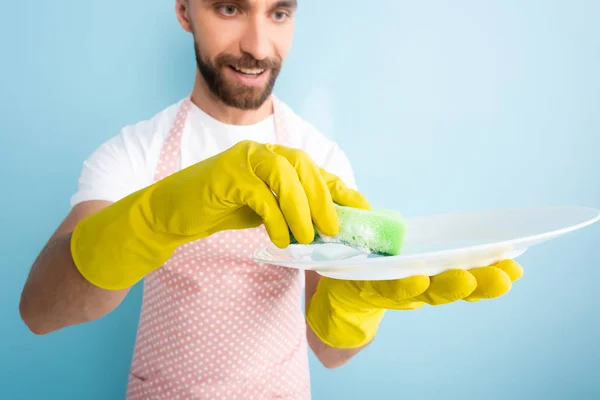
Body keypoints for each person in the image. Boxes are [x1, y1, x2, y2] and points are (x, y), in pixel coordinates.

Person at [19, 0, 524, 398]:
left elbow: (331, 353)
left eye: (279, 12)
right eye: (230, 8)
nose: (258, 46)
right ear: (183, 10)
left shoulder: (320, 159)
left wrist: (355, 303)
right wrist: (155, 217)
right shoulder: (135, 153)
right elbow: (40, 311)